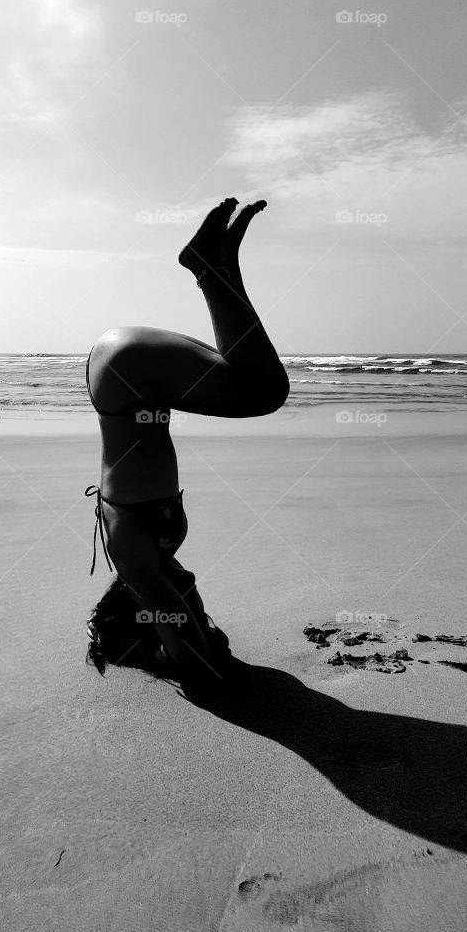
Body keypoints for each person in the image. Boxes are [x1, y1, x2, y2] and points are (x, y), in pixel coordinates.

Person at [83, 197, 290, 697]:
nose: (195, 610)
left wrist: (155, 656)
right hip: (128, 377)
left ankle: (207, 268)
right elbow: (192, 623)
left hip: (126, 379)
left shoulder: (136, 564)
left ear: (142, 614)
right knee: (253, 380)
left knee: (264, 392)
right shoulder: (158, 557)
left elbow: (199, 666)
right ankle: (217, 263)